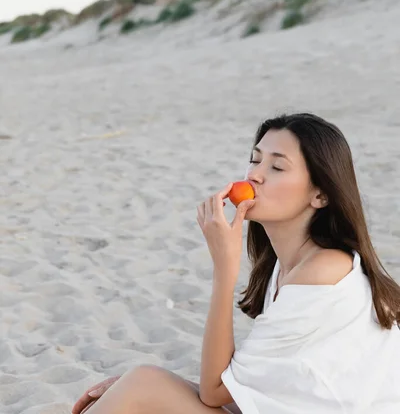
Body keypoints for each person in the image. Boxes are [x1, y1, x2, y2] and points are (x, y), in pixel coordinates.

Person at [72, 112, 400, 414]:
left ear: (320, 195)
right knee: (137, 388)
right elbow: (247, 392)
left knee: (142, 383)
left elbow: (215, 394)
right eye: (254, 160)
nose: (255, 175)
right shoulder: (288, 267)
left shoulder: (322, 272)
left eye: (277, 167)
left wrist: (224, 270)